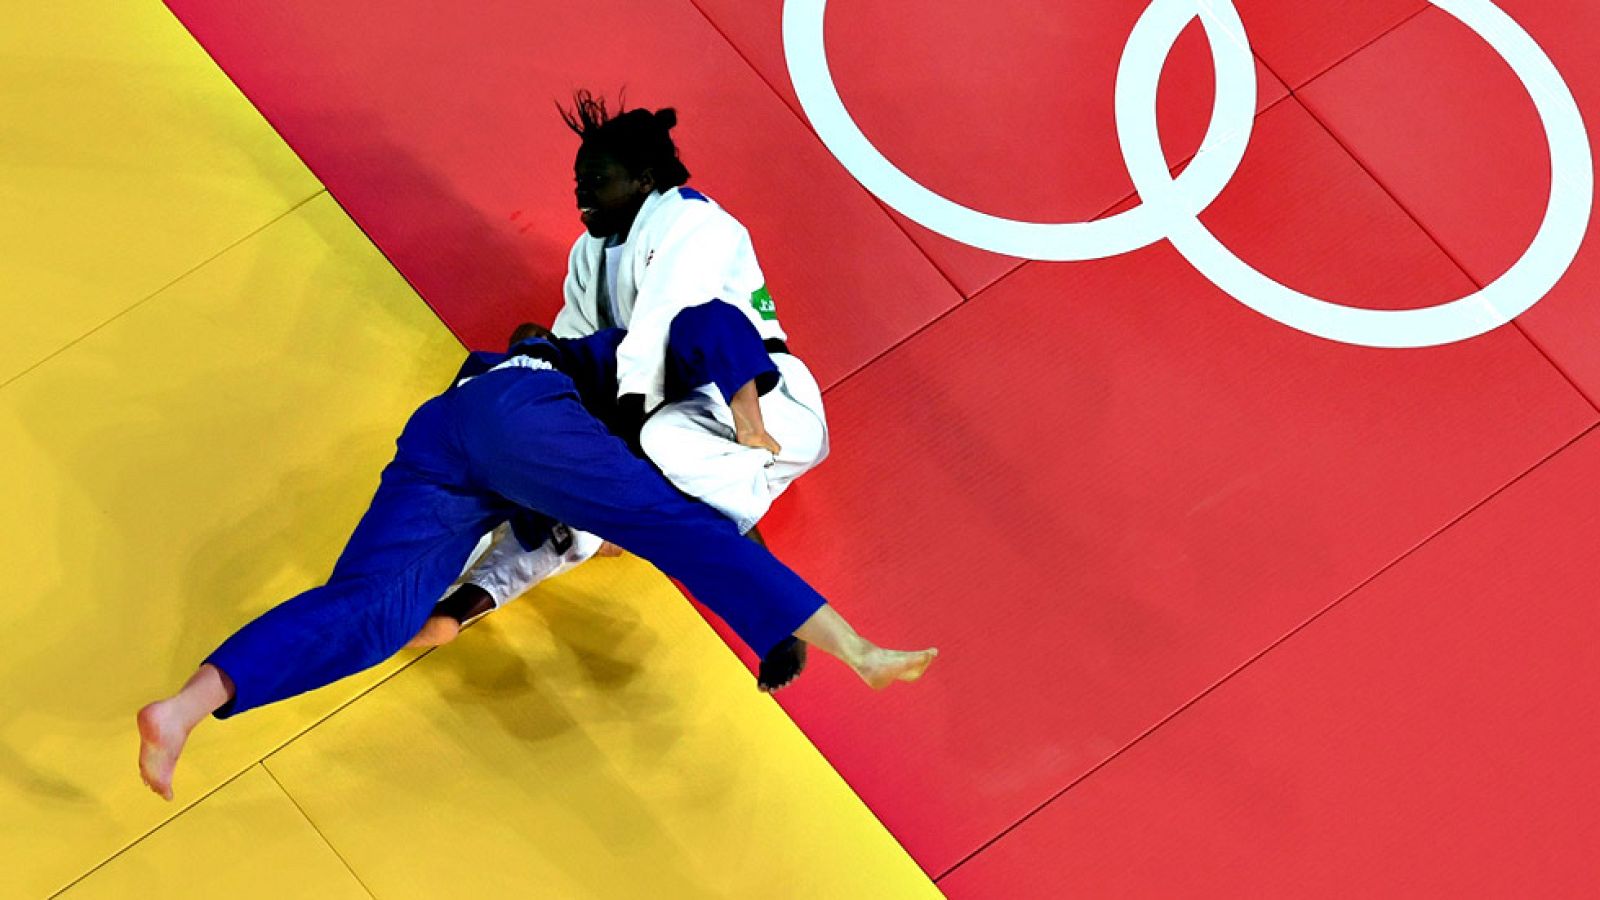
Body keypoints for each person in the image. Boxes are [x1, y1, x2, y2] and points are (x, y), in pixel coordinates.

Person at [136, 333, 935, 801]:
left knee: (373, 612)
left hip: (457, 442)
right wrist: (850, 648)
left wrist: (450, 616)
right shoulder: (700, 368)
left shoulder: (595, 512)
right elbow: (710, 539)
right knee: (674, 528)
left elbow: (526, 563)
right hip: (524, 412)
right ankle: (856, 648)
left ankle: (182, 711)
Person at [413, 93, 831, 692]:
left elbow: (665, 323)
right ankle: (447, 588)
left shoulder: (692, 221)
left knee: (635, 462)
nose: (581, 197)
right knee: (524, 371)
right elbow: (573, 338)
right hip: (653, 400)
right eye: (578, 182)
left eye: (597, 182)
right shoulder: (592, 251)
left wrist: (600, 445)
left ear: (645, 178)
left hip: (747, 403)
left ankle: (774, 616)